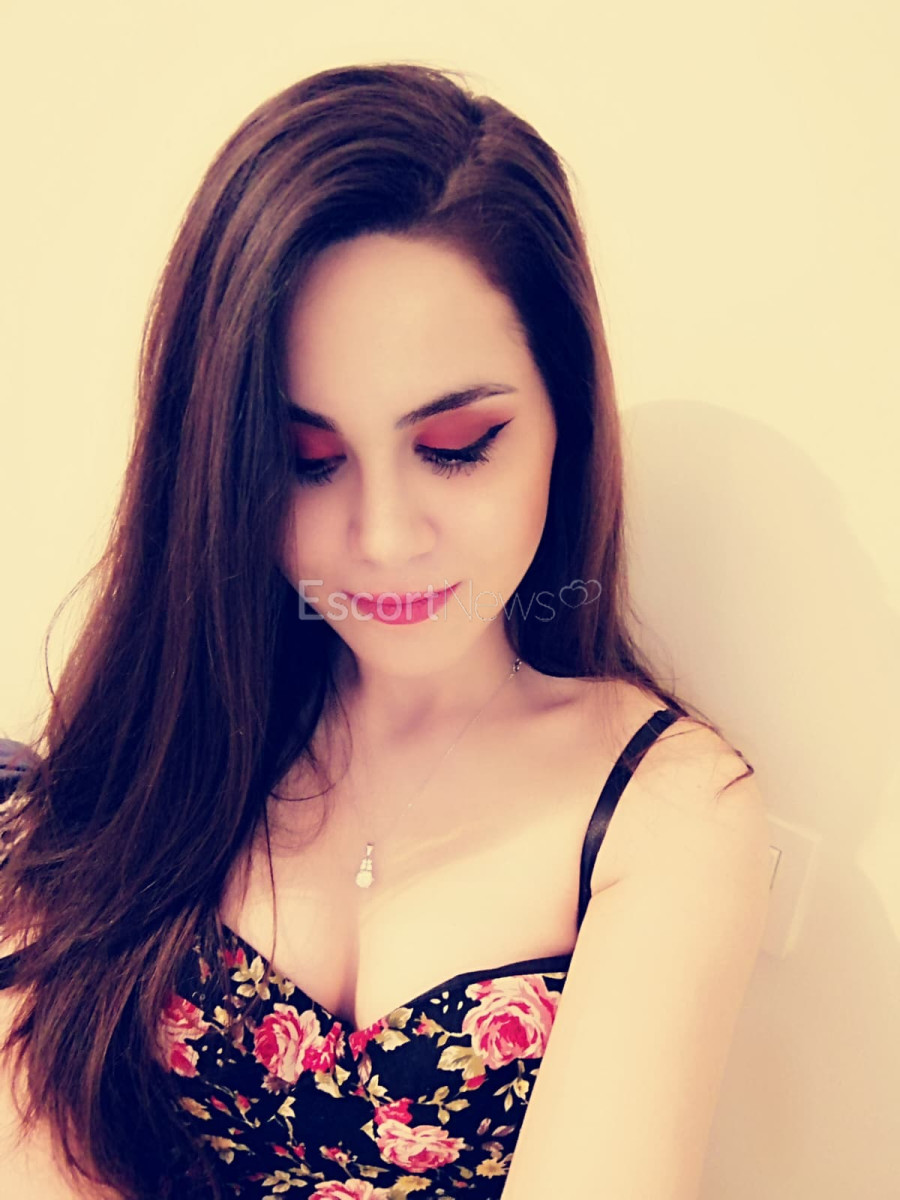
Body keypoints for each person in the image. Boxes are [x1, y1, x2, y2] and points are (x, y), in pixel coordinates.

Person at [0, 61, 773, 1200]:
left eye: (456, 446)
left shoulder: (664, 809)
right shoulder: (160, 741)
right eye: (307, 460)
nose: (385, 536)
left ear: (564, 416)